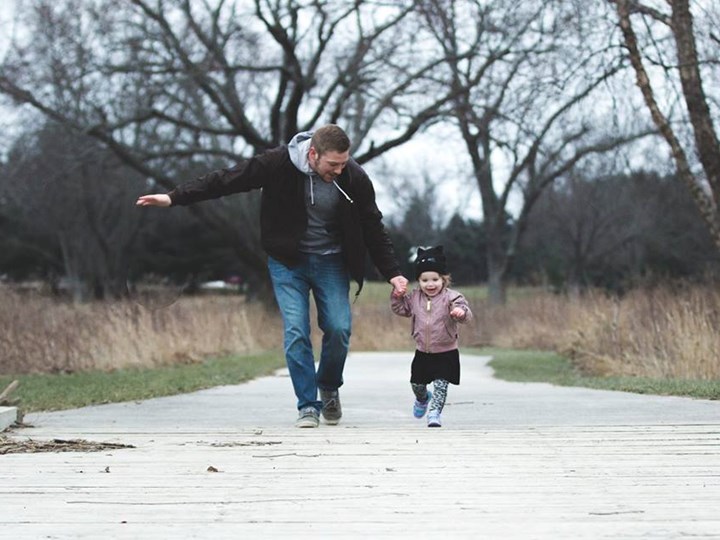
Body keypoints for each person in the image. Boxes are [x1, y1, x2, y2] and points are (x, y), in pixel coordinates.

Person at [136, 124, 408, 428]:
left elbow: (373, 226)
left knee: (339, 328)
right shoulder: (277, 163)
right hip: (287, 261)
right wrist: (174, 198)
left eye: (344, 163)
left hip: (331, 261)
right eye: (333, 164)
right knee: (296, 331)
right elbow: (227, 180)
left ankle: (329, 386)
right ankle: (308, 405)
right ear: (313, 153)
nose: (339, 170)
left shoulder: (353, 177)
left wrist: (393, 274)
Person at [390, 246, 472, 428]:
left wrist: (460, 312)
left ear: (443, 279)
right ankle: (423, 398)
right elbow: (400, 309)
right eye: (424, 280)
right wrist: (397, 297)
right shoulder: (414, 298)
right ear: (418, 281)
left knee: (441, 386)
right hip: (423, 352)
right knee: (417, 384)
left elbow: (466, 312)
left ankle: (434, 413)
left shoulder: (452, 297)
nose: (430, 284)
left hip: (446, 352)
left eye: (435, 279)